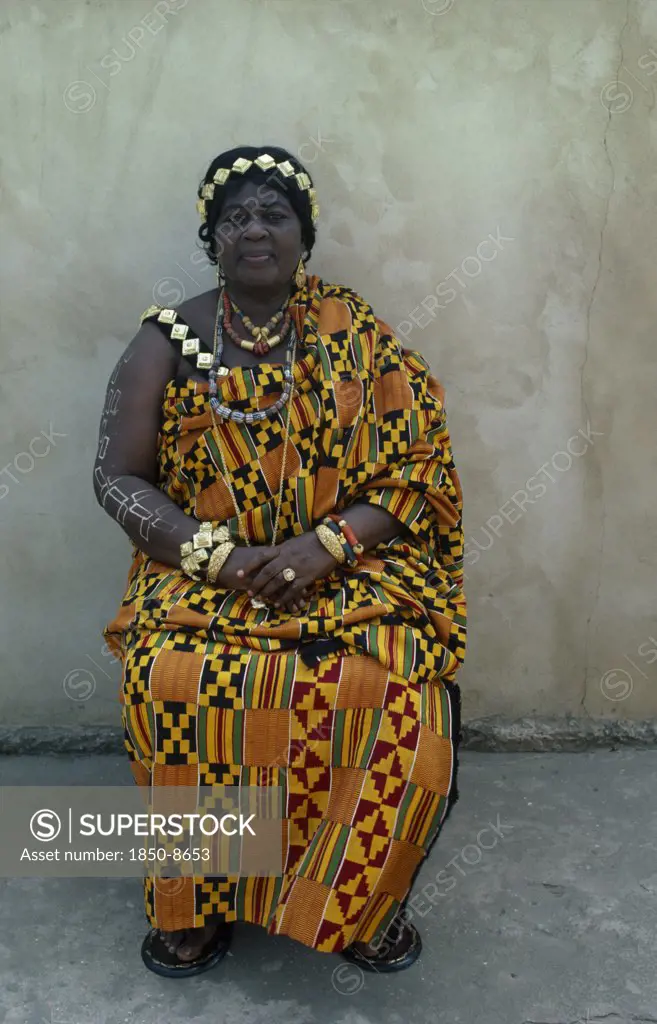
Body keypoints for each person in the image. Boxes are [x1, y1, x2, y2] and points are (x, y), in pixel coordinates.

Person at [96, 145, 467, 978]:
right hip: (202, 577)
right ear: (210, 236)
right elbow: (117, 476)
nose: (255, 229)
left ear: (304, 235)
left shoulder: (355, 332)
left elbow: (420, 467)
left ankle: (359, 902)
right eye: (236, 216)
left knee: (391, 685)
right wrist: (219, 559)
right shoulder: (167, 340)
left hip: (348, 572)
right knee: (170, 679)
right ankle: (197, 900)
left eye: (274, 214)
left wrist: (323, 545)